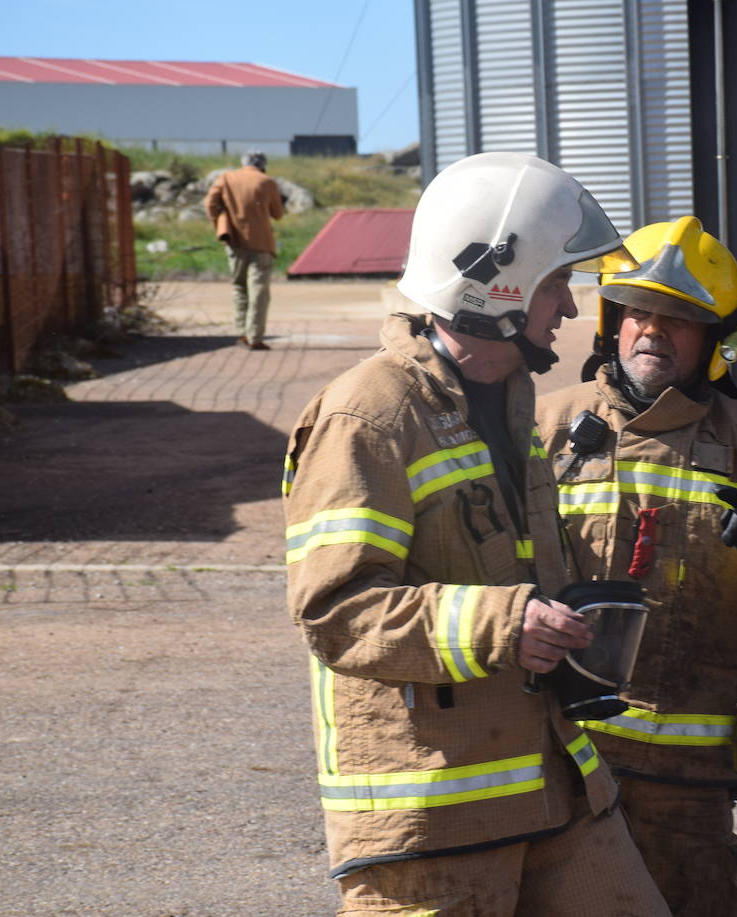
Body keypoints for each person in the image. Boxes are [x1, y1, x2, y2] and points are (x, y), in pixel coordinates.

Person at [282, 151, 671, 917]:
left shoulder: (512, 403)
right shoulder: (369, 416)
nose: (568, 306)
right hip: (432, 813)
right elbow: (335, 608)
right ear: (501, 284)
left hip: (551, 782)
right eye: (557, 283)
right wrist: (507, 622)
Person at [536, 216, 737, 916]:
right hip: (554, 765)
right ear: (612, 319)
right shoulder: (544, 428)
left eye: (680, 318)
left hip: (683, 791)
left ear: (715, 339)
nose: (653, 329)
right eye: (639, 310)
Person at [205, 149, 284, 350]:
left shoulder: (226, 178)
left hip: (234, 242)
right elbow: (277, 214)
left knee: (239, 287)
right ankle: (254, 336)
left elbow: (210, 204)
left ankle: (242, 332)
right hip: (261, 243)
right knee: (258, 291)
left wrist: (222, 219)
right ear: (262, 164)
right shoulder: (267, 182)